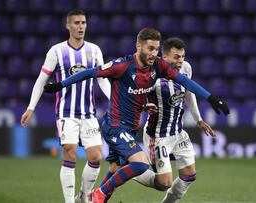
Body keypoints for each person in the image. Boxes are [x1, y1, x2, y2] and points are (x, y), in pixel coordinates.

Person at [44, 28, 229, 203]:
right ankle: (98, 195)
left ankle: (98, 198)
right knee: (140, 165)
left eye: (156, 49)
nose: (153, 53)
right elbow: (90, 73)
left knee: (116, 169)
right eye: (150, 48)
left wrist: (212, 99)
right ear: (138, 46)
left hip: (131, 128)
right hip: (115, 125)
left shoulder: (158, 66)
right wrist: (61, 85)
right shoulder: (122, 66)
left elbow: (183, 81)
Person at [20, 9, 110, 203]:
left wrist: (115, 100)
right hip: (65, 113)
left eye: (83, 23)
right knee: (69, 150)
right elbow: (41, 80)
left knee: (96, 157)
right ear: (68, 25)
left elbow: (102, 80)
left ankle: (84, 196)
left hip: (88, 114)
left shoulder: (94, 50)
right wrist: (30, 107)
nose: (80, 27)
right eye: (76, 23)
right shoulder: (56, 51)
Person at [133, 37, 215, 203]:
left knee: (189, 176)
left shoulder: (186, 68)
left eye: (182, 56)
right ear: (164, 57)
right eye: (176, 57)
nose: (180, 61)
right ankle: (129, 170)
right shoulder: (150, 74)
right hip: (158, 136)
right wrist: (143, 107)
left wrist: (198, 119)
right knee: (164, 183)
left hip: (178, 132)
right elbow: (133, 98)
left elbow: (189, 92)